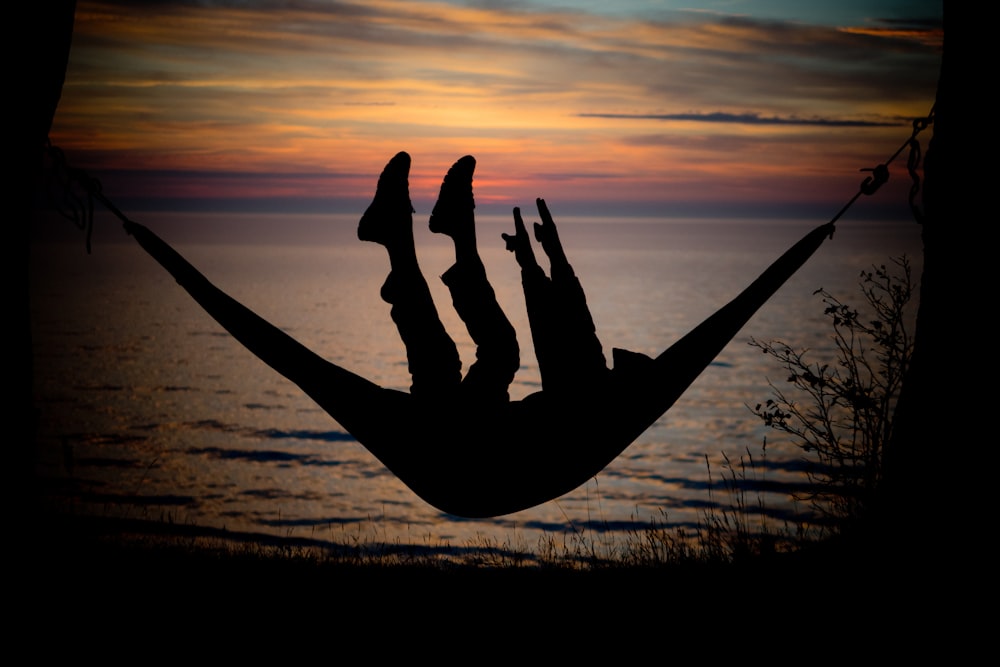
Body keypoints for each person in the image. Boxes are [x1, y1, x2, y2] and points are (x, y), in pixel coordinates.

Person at [357, 151, 610, 406]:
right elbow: (584, 364)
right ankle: (419, 231)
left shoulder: (609, 409)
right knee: (493, 353)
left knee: (452, 367)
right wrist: (543, 261)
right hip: (492, 426)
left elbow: (583, 369)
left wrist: (548, 261)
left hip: (472, 432)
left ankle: (402, 233)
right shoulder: (611, 403)